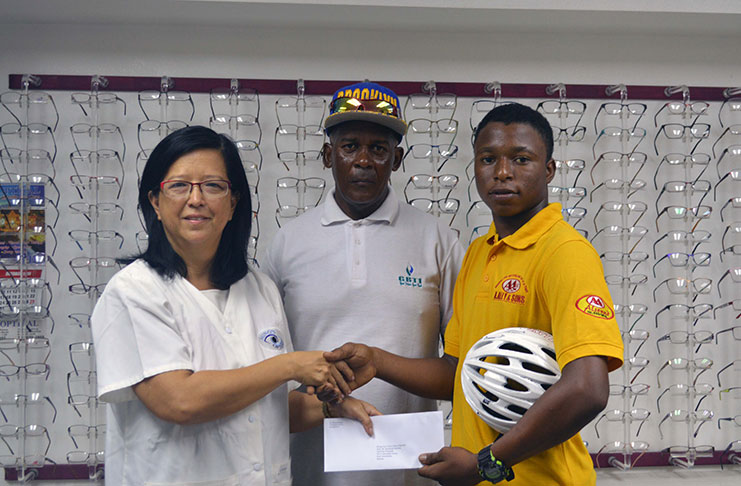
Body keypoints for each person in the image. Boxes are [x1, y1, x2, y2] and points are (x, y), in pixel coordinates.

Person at [326, 103, 624, 485]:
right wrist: (377, 361)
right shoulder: (480, 253)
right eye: (488, 159)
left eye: (521, 159)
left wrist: (487, 464)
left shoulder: (564, 252)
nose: (502, 173)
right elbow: (459, 372)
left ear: (548, 169)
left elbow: (588, 389)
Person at [91, 126, 378, 486]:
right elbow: (179, 401)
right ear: (155, 202)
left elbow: (267, 408)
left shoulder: (259, 289)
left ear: (233, 203)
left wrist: (330, 407)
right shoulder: (134, 292)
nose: (196, 199)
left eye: (213, 186)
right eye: (179, 186)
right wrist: (290, 365)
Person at [264, 81, 464, 486]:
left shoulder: (437, 240)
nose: (363, 161)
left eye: (379, 149)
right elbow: (263, 371)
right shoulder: (287, 243)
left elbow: (459, 374)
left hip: (408, 474)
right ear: (327, 155)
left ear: (397, 159)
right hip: (309, 472)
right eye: (349, 145)